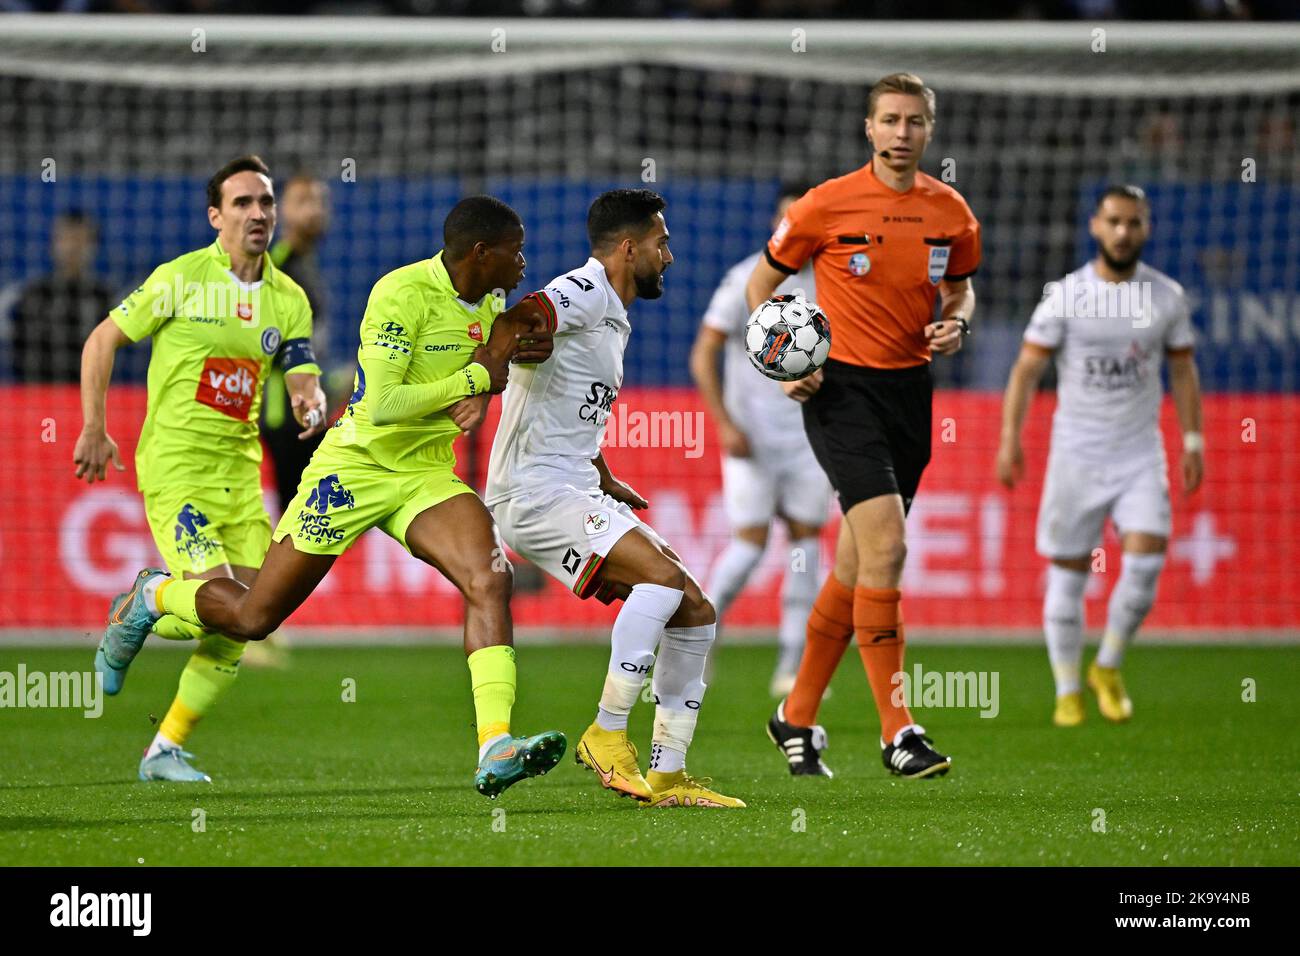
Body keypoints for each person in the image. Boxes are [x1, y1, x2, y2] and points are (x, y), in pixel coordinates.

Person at [90, 194, 566, 799]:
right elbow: (383, 405)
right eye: (514, 252)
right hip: (354, 469)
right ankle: (154, 593)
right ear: (480, 253)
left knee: (490, 578)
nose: (523, 262)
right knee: (252, 617)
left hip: (423, 475)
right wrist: (476, 379)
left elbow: (482, 363)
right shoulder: (399, 294)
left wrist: (489, 383)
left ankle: (495, 743)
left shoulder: (493, 300)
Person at [749, 74, 980, 779]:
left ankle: (796, 714)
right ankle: (897, 730)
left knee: (857, 566)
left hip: (911, 393)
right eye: (890, 119)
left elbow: (961, 288)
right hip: (840, 390)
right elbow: (764, 287)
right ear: (869, 128)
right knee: (888, 548)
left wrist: (957, 323)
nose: (902, 132)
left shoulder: (952, 213)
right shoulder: (825, 203)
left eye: (915, 121)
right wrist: (784, 366)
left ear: (929, 131)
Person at [485, 189, 745, 809]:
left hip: (571, 483)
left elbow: (573, 411)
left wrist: (603, 474)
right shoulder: (585, 290)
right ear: (629, 248)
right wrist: (488, 372)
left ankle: (669, 773)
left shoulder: (613, 318)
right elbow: (520, 317)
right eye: (661, 242)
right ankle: (605, 731)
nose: (670, 256)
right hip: (531, 492)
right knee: (659, 580)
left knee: (694, 609)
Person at [75, 155, 328, 782]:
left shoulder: (288, 298)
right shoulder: (181, 279)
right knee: (218, 598)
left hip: (240, 475)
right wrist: (93, 425)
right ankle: (150, 594)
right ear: (216, 217)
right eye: (242, 203)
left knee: (250, 617)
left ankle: (164, 748)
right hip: (177, 465)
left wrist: (310, 398)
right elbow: (102, 340)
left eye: (266, 203)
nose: (259, 214)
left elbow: (300, 371)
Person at [996, 184, 1203, 727]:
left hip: (1140, 453)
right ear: (1094, 225)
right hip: (1077, 456)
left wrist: (1193, 439)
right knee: (1067, 573)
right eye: (1113, 221)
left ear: (1146, 228)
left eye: (1133, 222)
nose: (1122, 232)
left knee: (1146, 559)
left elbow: (1182, 370)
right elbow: (1026, 370)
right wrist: (1009, 438)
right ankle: (1068, 688)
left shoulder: (1167, 297)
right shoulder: (1066, 295)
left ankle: (1107, 665)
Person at [689, 183, 832, 697]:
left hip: (810, 440)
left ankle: (792, 669)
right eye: (785, 219)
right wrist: (725, 422)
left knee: (805, 545)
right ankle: (699, 647)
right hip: (751, 438)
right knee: (747, 547)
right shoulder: (745, 278)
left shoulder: (834, 283)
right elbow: (703, 353)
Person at [13, 211, 118, 382]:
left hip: (86, 392)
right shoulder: (34, 295)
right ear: (53, 243)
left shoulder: (103, 297)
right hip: (40, 394)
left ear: (93, 245)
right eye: (65, 238)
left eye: (79, 239)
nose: (72, 247)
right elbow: (21, 354)